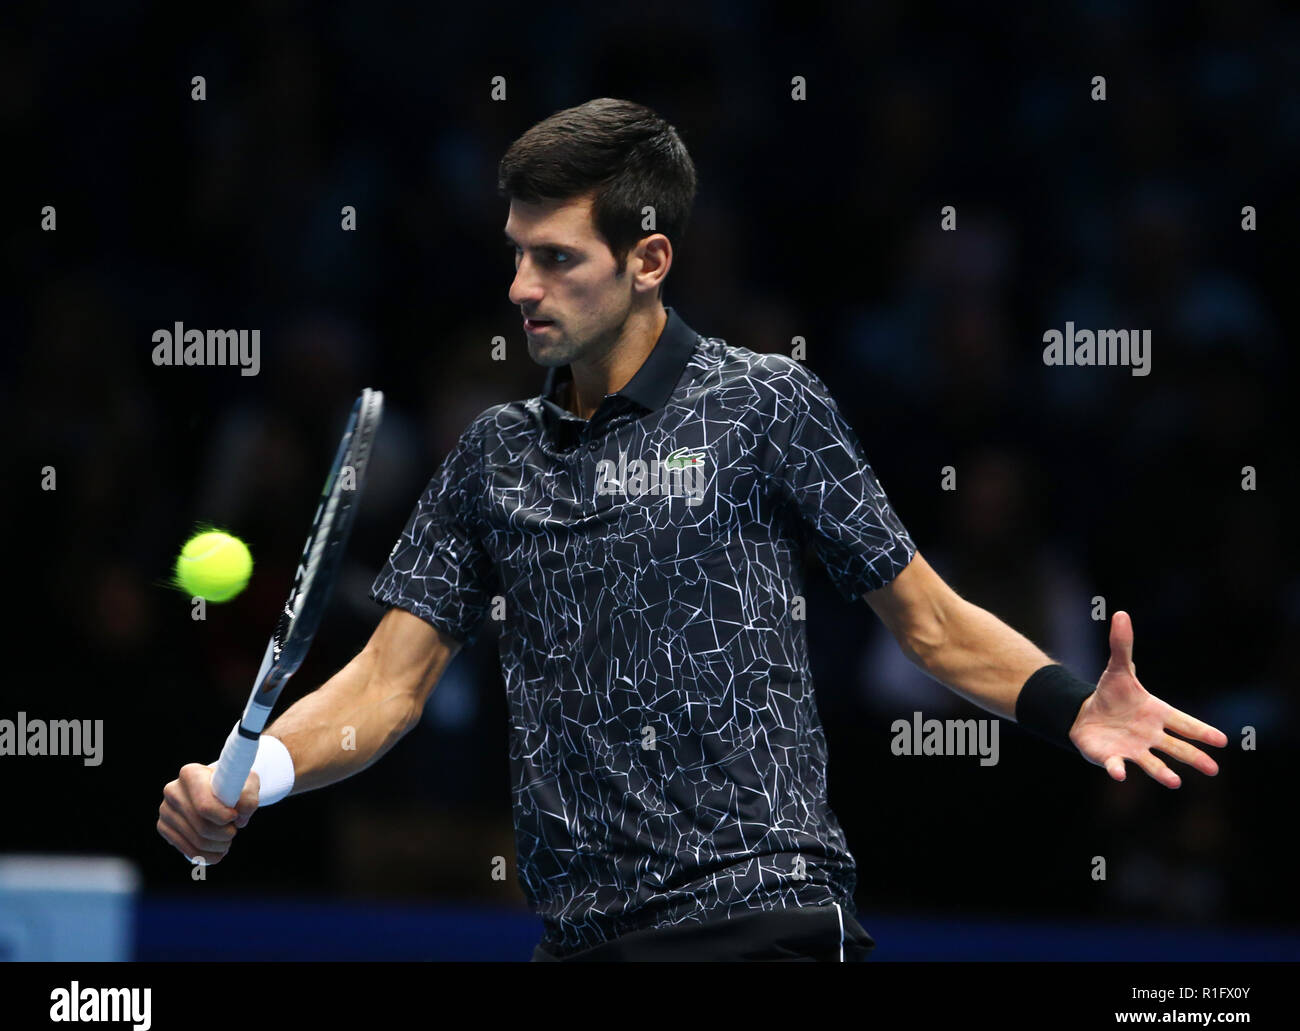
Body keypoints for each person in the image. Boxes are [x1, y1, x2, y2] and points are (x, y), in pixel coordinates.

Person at [157, 98, 1228, 963]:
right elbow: (387, 684)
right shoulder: (491, 456)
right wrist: (260, 776)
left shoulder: (765, 405)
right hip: (579, 940)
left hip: (762, 919)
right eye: (517, 254)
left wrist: (1068, 702)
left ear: (649, 261)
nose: (522, 288)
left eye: (559, 259)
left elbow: (930, 623)